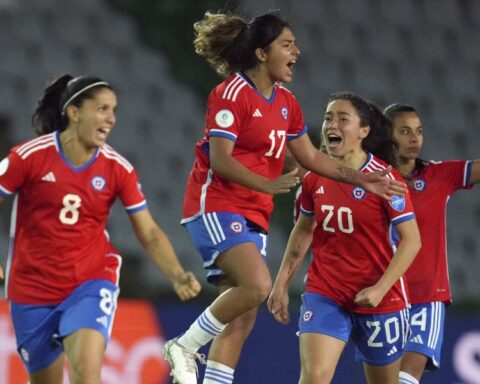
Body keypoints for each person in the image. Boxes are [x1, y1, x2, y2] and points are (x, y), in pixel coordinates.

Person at [161, 11, 407, 384]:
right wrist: (266, 184)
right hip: (216, 204)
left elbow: (310, 157)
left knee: (241, 317)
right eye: (287, 44)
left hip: (253, 213)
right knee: (257, 285)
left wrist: (363, 180)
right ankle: (183, 345)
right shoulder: (230, 94)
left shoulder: (287, 103)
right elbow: (221, 160)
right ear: (262, 53)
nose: (297, 51)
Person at [0, 75, 201, 384]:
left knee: (86, 373)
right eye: (103, 109)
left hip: (89, 282)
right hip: (31, 289)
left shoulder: (117, 168)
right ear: (74, 112)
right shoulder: (28, 157)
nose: (111, 118)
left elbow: (148, 231)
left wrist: (177, 273)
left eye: (114, 110)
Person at [267, 92, 422, 384]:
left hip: (380, 298)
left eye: (342, 118)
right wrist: (281, 283)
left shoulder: (385, 180)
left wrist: (379, 288)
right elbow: (304, 229)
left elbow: (412, 241)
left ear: (363, 132)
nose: (331, 125)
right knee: (314, 378)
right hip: (326, 291)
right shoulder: (315, 176)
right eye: (327, 118)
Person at [383, 104, 479, 384]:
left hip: (427, 295)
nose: (414, 139)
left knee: (405, 376)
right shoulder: (373, 179)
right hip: (383, 294)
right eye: (404, 131)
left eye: (419, 132)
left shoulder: (438, 175)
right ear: (388, 135)